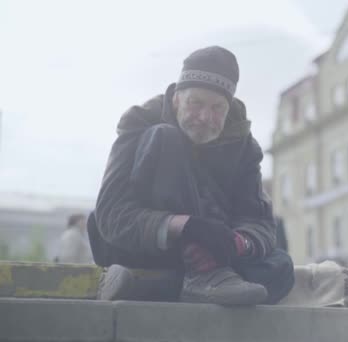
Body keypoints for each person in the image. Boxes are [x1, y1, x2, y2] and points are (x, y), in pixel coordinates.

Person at [88, 46, 294, 305]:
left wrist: (237, 243)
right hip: (144, 243)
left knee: (281, 266)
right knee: (165, 137)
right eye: (196, 103)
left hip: (215, 257)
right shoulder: (139, 122)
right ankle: (200, 281)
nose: (206, 117)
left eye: (218, 108)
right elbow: (111, 214)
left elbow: (260, 222)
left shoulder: (244, 146)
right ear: (176, 99)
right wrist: (185, 226)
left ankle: (149, 287)